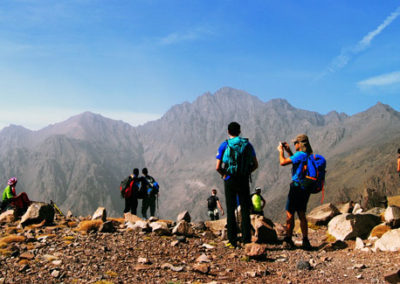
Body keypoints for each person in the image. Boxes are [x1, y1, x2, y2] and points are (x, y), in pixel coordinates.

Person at [216, 122, 258, 248]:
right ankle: (246, 240)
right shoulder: (248, 144)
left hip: (230, 179)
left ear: (228, 131)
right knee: (245, 209)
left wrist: (224, 175)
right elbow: (255, 165)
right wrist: (246, 172)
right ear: (239, 131)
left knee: (230, 209)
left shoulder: (225, 145)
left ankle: (232, 241)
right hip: (243, 180)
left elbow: (217, 167)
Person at [277, 134, 313, 250]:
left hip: (296, 187)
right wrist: (289, 151)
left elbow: (283, 162)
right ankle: (305, 240)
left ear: (299, 144)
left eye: (295, 143)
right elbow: (295, 161)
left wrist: (280, 151)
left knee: (290, 213)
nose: (294, 145)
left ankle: (288, 239)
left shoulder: (300, 154)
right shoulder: (307, 155)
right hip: (305, 188)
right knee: (302, 214)